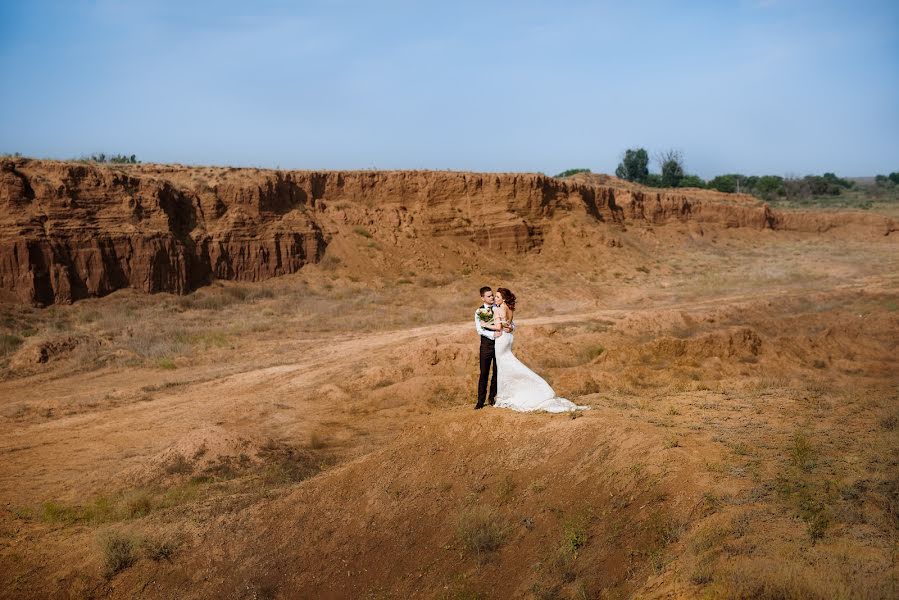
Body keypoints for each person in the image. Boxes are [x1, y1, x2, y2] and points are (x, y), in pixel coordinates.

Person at [491, 287, 588, 413]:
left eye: (498, 297)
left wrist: (488, 324)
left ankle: (507, 396)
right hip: (508, 337)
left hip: (502, 338)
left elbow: (502, 325)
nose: (495, 299)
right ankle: (512, 392)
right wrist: (508, 326)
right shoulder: (510, 308)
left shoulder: (500, 308)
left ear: (503, 299)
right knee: (507, 365)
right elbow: (511, 325)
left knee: (504, 366)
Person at [474, 286, 502, 409]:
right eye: (489, 296)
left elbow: (509, 321)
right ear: (482, 298)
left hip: (499, 345)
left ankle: (492, 398)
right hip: (486, 346)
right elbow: (479, 330)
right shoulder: (479, 311)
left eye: (492, 295)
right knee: (484, 373)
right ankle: (480, 401)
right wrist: (492, 334)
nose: (492, 298)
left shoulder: (499, 308)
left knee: (497, 372)